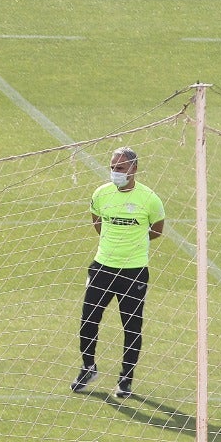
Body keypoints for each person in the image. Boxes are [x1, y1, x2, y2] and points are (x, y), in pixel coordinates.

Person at [72, 147, 165, 398]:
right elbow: (97, 221)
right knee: (88, 320)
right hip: (102, 266)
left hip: (134, 271)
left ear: (134, 169)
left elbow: (157, 229)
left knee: (132, 326)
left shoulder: (149, 199)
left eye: (121, 168)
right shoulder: (101, 194)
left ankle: (125, 379)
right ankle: (88, 367)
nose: (115, 172)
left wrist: (133, 244)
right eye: (113, 167)